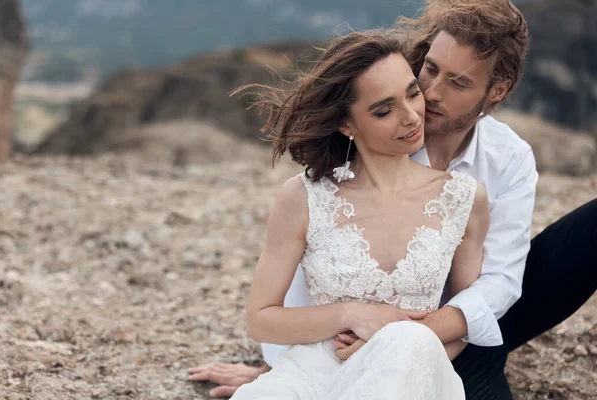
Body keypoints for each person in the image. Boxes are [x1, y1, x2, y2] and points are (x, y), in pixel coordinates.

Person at [188, 1, 597, 398]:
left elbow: (502, 280)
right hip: (337, 344)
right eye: (431, 70)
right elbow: (304, 269)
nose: (429, 94)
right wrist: (280, 367)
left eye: (457, 83)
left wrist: (410, 336)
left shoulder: (505, 163)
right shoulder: (359, 148)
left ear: (497, 91)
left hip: (450, 337)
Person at [224, 28, 489, 399]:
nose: (412, 116)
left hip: (410, 370)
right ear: (347, 124)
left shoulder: (464, 198)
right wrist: (351, 314)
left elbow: (463, 319)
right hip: (313, 371)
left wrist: (397, 349)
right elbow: (261, 320)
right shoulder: (303, 196)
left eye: (413, 93)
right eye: (384, 110)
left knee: (404, 342)